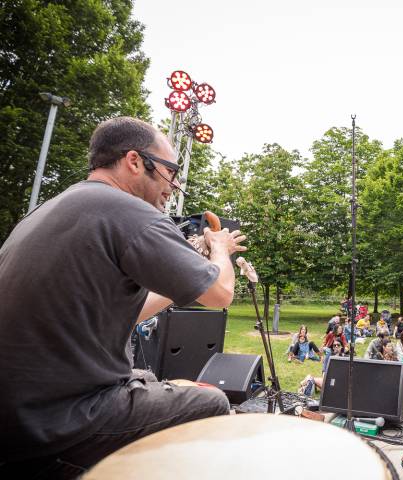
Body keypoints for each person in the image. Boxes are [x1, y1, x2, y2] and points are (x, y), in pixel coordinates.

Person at [0, 117, 248, 477]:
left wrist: (185, 270)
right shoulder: (132, 212)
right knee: (209, 401)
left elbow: (122, 314)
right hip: (61, 418)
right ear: (134, 161)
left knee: (146, 376)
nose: (174, 186)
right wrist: (220, 250)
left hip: (19, 412)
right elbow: (221, 293)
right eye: (170, 171)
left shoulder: (53, 208)